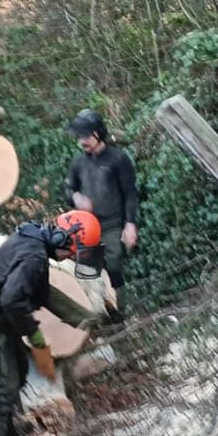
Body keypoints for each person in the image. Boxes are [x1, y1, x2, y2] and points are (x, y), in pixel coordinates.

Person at [0, 214, 97, 436]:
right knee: (5, 385)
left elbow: (37, 292)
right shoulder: (33, 257)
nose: (70, 257)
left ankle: (8, 428)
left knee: (21, 370)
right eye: (71, 251)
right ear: (64, 238)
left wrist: (77, 316)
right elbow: (12, 301)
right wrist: (33, 334)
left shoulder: (32, 238)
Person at [66, 108, 139, 300]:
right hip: (86, 226)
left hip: (112, 223)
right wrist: (76, 197)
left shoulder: (118, 159)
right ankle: (99, 315)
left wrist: (130, 224)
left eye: (85, 136)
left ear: (98, 134)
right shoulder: (78, 163)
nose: (81, 141)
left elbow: (130, 193)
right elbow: (68, 189)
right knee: (88, 272)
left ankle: (122, 310)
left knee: (114, 264)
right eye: (79, 137)